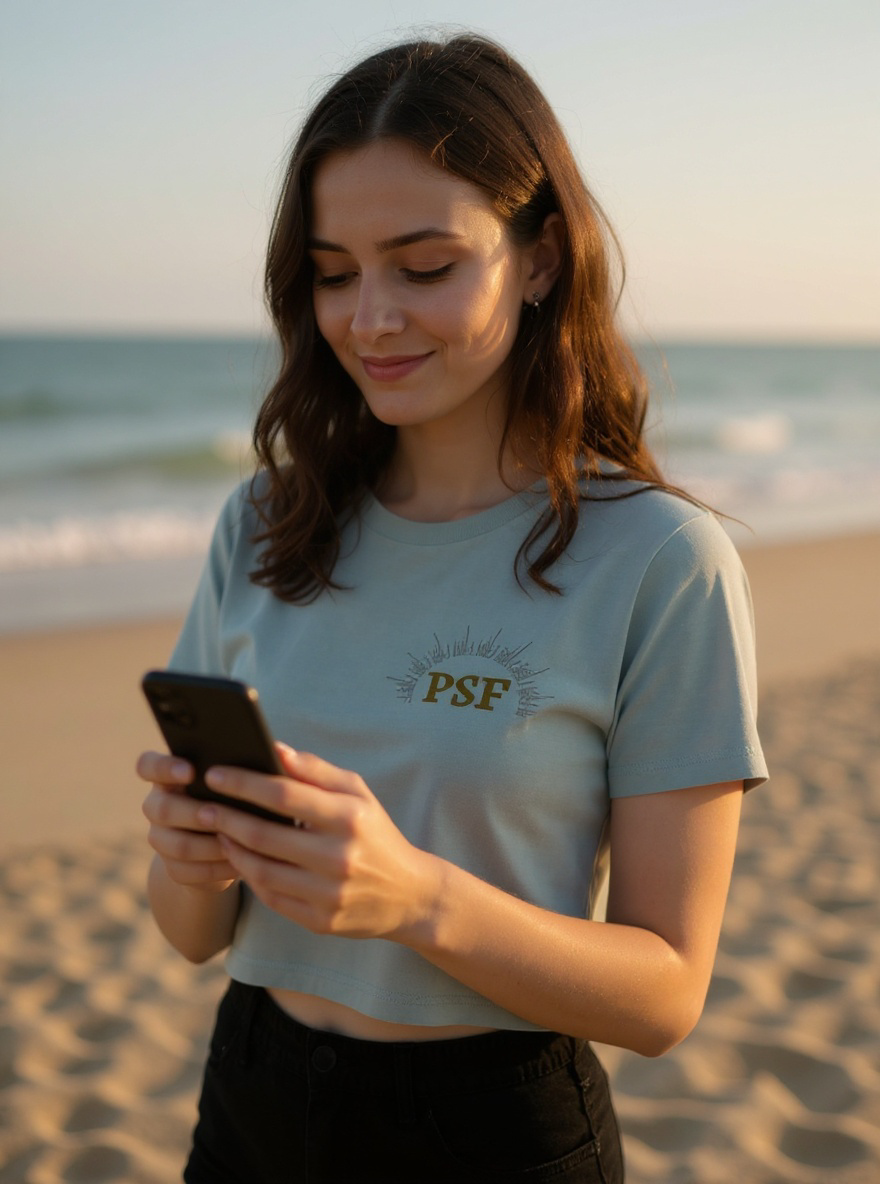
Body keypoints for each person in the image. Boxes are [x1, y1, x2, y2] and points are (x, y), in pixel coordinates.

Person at [137, 32, 767, 1183]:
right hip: (253, 1096)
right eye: (333, 272)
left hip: (490, 1128)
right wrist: (191, 859)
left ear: (539, 258)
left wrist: (414, 896)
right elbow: (191, 937)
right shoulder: (266, 520)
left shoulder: (661, 560)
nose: (370, 317)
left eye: (424, 266)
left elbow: (666, 993)